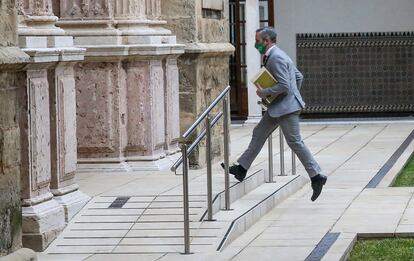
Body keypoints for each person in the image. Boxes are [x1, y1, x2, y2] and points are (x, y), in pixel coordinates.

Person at [224, 26, 327, 201]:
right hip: (281, 107)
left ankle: (317, 176)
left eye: (258, 41)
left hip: (285, 109)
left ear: (267, 41)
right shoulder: (277, 54)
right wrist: (291, 97)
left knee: (295, 142)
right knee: (259, 133)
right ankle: (241, 168)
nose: (256, 44)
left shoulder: (275, 58)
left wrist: (265, 93)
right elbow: (298, 77)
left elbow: (284, 85)